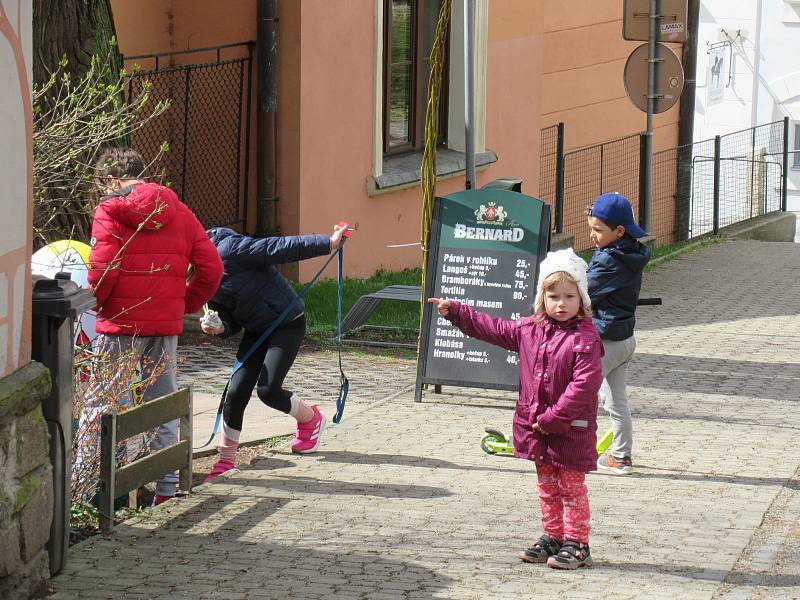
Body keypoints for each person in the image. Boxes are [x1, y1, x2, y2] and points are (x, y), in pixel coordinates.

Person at [428, 248, 603, 570]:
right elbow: (492, 328)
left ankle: (578, 543)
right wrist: (457, 312)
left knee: (572, 488)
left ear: (582, 300)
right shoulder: (529, 330)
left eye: (569, 296)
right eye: (553, 296)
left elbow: (584, 385)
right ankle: (553, 535)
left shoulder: (585, 338)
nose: (560, 304)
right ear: (542, 298)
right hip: (538, 429)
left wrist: (554, 418)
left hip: (569, 429)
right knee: (547, 487)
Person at [88, 146, 223, 505]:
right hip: (163, 327)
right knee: (162, 404)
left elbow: (103, 271)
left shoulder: (109, 211)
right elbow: (212, 269)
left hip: (118, 325)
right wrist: (183, 305)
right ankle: (165, 492)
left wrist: (99, 307)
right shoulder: (179, 211)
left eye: (106, 186)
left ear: (113, 180)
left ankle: (95, 489)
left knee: (103, 404)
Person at [200, 224, 347, 483]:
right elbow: (227, 317)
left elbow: (277, 248)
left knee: (268, 390)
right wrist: (220, 326)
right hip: (257, 329)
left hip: (286, 321)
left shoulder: (229, 248)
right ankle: (225, 462)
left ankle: (311, 420)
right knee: (235, 392)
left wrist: (328, 243)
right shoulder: (199, 276)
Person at [586, 192, 651, 475]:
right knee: (615, 400)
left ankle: (573, 451)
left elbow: (583, 293)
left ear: (619, 231)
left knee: (575, 395)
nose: (592, 235)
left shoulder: (611, 260)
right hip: (624, 339)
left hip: (605, 341)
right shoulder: (629, 252)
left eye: (598, 230)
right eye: (590, 228)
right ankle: (621, 457)